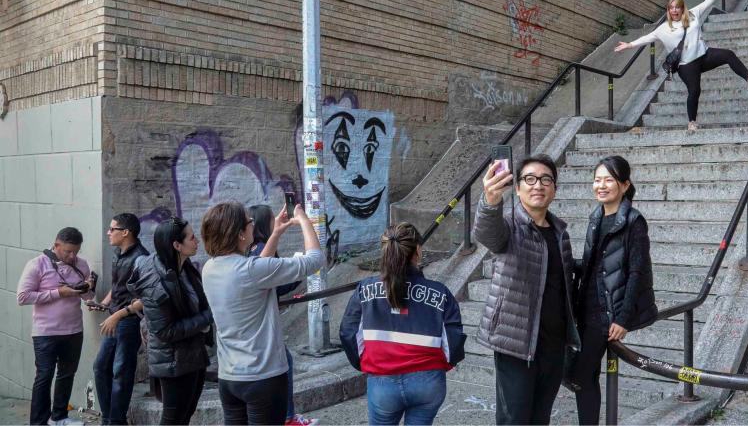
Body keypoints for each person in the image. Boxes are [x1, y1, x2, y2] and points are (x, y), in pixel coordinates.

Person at [473, 154, 580, 425]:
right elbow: (487, 234)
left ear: (554, 188)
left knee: (540, 417)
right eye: (529, 179)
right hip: (516, 343)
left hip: (553, 345)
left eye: (546, 180)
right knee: (515, 418)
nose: (538, 185)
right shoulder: (509, 225)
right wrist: (490, 200)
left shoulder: (560, 234)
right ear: (518, 187)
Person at [201, 202, 325, 426]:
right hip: (263, 377)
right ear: (239, 234)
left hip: (229, 377)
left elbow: (257, 268)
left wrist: (276, 233)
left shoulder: (210, 268)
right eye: (249, 222)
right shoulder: (251, 270)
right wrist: (305, 221)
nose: (252, 225)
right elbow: (315, 260)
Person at [340, 223, 466, 425]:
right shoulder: (440, 293)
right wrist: (440, 366)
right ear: (418, 251)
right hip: (428, 381)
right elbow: (454, 343)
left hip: (382, 381)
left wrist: (366, 364)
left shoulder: (365, 290)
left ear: (385, 251)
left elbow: (348, 333)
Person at [566, 156, 656, 426]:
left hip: (606, 314)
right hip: (585, 306)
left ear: (625, 185)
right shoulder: (596, 216)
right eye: (597, 179)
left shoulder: (634, 222)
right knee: (580, 375)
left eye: (608, 180)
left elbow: (638, 273)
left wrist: (623, 318)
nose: (601, 185)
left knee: (581, 377)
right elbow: (596, 265)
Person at [614, 0, 748, 132]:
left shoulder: (693, 14)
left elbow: (707, 2)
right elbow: (647, 38)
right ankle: (692, 123)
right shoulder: (663, 29)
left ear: (682, 9)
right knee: (694, 91)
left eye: (677, 8)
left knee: (728, 55)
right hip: (686, 65)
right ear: (668, 10)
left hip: (704, 56)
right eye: (671, 8)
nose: (674, 11)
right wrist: (629, 45)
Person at [129, 218, 213, 426]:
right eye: (192, 238)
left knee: (186, 413)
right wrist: (208, 317)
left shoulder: (183, 266)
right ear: (177, 245)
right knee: (173, 418)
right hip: (173, 361)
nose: (197, 242)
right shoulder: (155, 282)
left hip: (193, 353)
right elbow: (165, 331)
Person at [17, 227, 95, 426]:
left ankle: (59, 417)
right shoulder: (37, 264)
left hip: (74, 330)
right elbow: (23, 297)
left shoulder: (82, 265)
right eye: (68, 251)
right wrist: (59, 293)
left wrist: (88, 288)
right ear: (56, 245)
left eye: (76, 251)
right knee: (44, 376)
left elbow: (88, 297)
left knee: (67, 374)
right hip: (45, 333)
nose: (72, 256)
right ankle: (38, 422)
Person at [247, 204, 315, 426]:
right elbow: (273, 286)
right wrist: (304, 222)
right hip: (264, 324)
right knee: (283, 364)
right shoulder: (260, 251)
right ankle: (287, 418)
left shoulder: (253, 251)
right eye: (270, 220)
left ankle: (286, 416)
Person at [92, 213, 149, 426]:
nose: (108, 232)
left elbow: (145, 298)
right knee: (100, 367)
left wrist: (117, 314)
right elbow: (118, 288)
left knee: (121, 372)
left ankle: (116, 421)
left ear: (125, 232)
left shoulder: (142, 258)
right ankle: (110, 419)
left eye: (112, 229)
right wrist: (105, 303)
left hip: (128, 321)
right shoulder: (119, 253)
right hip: (114, 318)